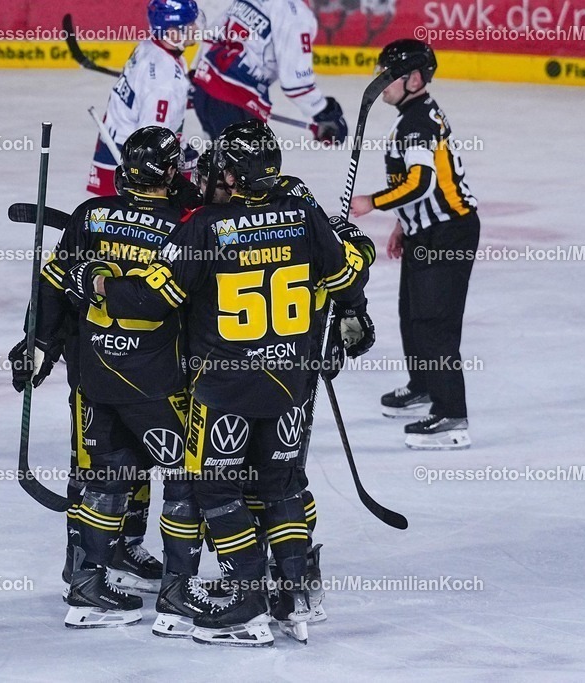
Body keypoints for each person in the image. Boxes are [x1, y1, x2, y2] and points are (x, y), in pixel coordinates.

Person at [69, 121, 373, 646]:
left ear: (235, 174)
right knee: (280, 485)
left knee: (215, 488)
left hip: (224, 388)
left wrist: (96, 283)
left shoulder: (207, 227)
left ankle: (246, 605)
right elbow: (347, 274)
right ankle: (294, 593)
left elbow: (152, 299)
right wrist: (352, 251)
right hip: (290, 384)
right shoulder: (303, 213)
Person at [16, 126, 208, 628]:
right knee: (185, 476)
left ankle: (87, 582)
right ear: (166, 174)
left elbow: (54, 281)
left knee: (104, 474)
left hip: (96, 373)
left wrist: (36, 342)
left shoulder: (89, 215)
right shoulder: (186, 223)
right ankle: (178, 592)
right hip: (158, 380)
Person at [349, 39, 479, 450]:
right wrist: (405, 224)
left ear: (415, 79)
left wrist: (373, 203)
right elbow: (428, 184)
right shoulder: (414, 114)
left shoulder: (416, 122)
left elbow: (420, 181)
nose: (380, 82)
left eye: (388, 75)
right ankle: (423, 385)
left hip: (447, 234)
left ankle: (451, 416)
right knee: (411, 314)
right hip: (427, 230)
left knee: (435, 325)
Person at [190, 0, 348, 143]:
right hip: (236, 100)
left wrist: (198, 75)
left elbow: (212, 35)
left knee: (220, 165)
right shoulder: (296, 14)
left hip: (204, 91)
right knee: (254, 170)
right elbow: (296, 82)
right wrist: (323, 112)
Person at [86, 0, 202, 195]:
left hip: (117, 142)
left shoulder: (151, 47)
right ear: (173, 33)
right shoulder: (163, 83)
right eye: (190, 24)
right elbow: (151, 142)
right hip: (129, 161)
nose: (196, 28)